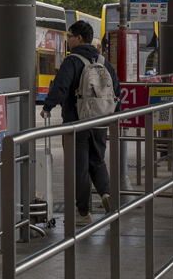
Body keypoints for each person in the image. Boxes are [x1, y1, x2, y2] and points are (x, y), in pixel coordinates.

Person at [40, 20, 121, 225]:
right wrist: (113, 116)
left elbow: (60, 86)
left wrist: (47, 106)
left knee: (80, 167)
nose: (67, 40)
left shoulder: (72, 61)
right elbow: (116, 91)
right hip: (101, 121)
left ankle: (83, 213)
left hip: (77, 123)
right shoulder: (103, 61)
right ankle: (106, 193)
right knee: (98, 161)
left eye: (69, 36)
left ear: (79, 38)